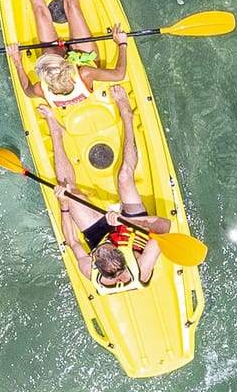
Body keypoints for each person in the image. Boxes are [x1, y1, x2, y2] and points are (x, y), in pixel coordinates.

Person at [39, 82, 170, 292]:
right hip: (133, 226)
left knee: (67, 191)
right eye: (105, 248)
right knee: (125, 176)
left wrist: (64, 204)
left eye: (98, 251)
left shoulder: (89, 269)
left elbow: (72, 241)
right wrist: (125, 220)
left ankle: (56, 131)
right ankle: (127, 115)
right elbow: (165, 228)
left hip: (101, 232)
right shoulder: (142, 267)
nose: (98, 250)